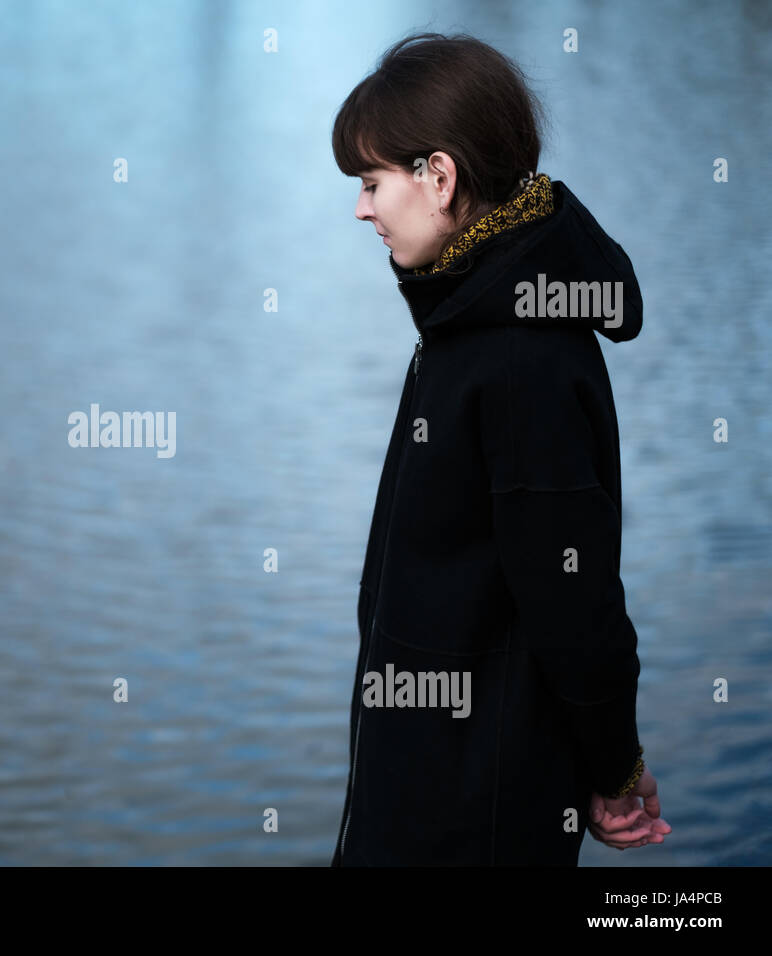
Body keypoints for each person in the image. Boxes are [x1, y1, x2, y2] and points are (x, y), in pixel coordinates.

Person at [327, 33, 671, 865]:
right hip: (425, 786)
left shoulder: (520, 354)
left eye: (373, 183)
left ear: (439, 178)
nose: (362, 209)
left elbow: (573, 599)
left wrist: (614, 768)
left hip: (473, 812)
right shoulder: (466, 312)